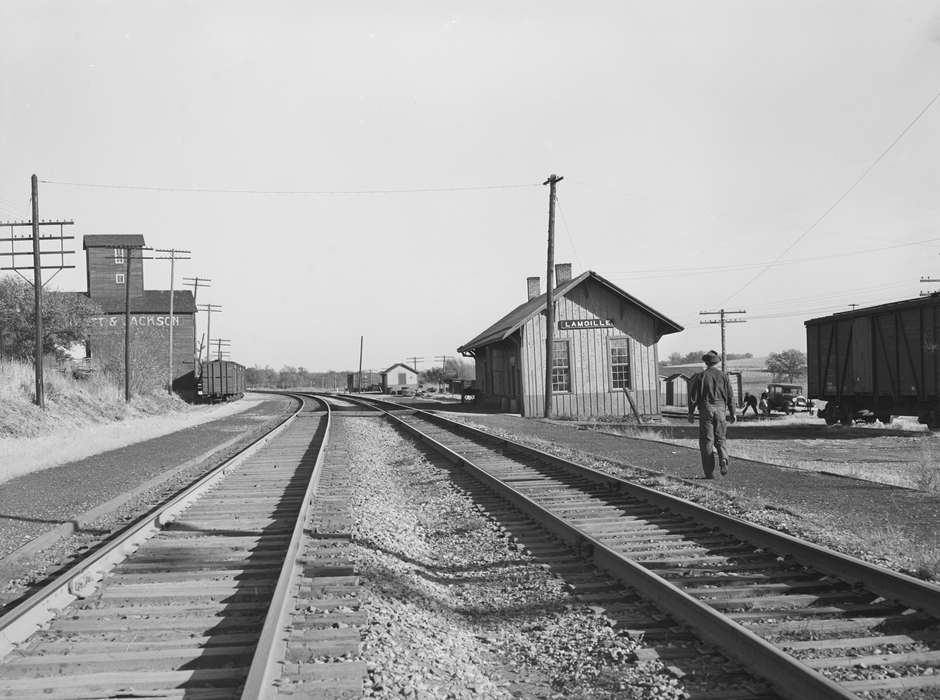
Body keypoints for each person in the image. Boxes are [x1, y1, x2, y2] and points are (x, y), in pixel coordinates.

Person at [688, 350, 736, 478]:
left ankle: (709, 472)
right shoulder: (724, 376)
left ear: (706, 362)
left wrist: (691, 413)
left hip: (706, 409)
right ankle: (724, 458)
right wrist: (733, 412)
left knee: (707, 441)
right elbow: (730, 396)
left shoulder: (700, 376)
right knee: (721, 438)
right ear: (717, 362)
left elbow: (693, 397)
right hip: (721, 409)